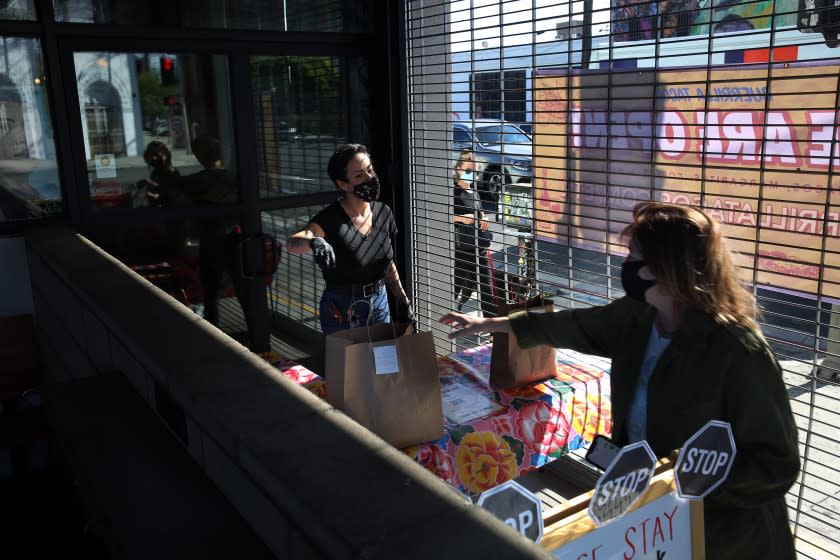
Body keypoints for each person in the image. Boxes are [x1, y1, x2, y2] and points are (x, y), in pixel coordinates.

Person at [439, 202, 800, 559]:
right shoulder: (638, 317)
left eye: (634, 256)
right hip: (657, 526)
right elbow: (572, 325)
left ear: (669, 268)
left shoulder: (738, 351)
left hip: (725, 538)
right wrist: (491, 325)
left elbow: (775, 464)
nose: (625, 264)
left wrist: (686, 480)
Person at [287, 143, 413, 335]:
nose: (370, 178)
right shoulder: (332, 219)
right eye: (359, 175)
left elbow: (386, 263)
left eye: (370, 170)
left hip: (380, 303)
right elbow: (294, 242)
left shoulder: (383, 212)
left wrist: (404, 301)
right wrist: (314, 241)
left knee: (384, 363)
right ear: (343, 184)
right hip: (344, 309)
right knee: (351, 365)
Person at [178, 135, 245, 329]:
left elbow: (175, 186)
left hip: (210, 240)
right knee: (243, 290)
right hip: (235, 238)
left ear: (200, 156)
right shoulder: (233, 178)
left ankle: (212, 331)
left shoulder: (197, 181)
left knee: (210, 292)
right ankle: (257, 334)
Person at [452, 149, 495, 317]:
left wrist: (485, 220)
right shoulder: (453, 192)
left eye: (475, 172)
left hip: (480, 248)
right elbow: (442, 216)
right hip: (463, 249)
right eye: (468, 171)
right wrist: (462, 218)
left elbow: (481, 214)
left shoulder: (475, 192)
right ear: (458, 169)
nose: (472, 175)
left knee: (487, 291)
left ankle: (493, 332)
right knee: (454, 289)